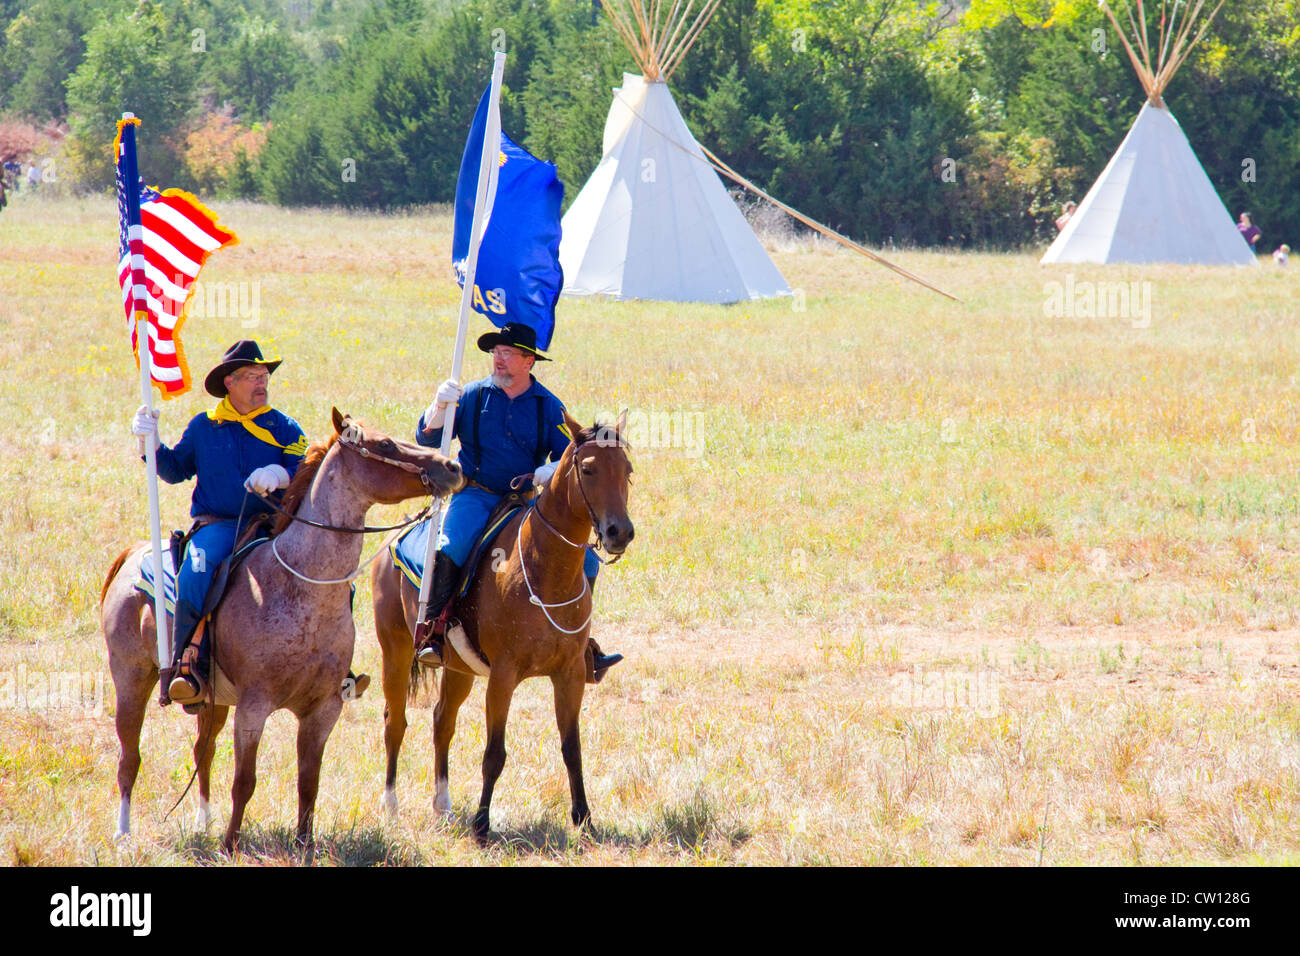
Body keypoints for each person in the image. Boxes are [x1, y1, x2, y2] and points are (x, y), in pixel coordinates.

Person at [129, 340, 368, 705]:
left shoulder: (284, 426)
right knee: (195, 574)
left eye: (264, 376)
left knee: (336, 580)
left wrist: (280, 474)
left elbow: (307, 470)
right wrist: (150, 445)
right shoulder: (204, 427)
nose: (262, 383)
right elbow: (175, 470)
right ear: (230, 382)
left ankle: (339, 670)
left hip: (277, 527)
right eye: (253, 377)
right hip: (220, 526)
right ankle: (188, 665)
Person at [413, 322, 622, 677]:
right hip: (475, 494)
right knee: (451, 546)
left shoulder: (549, 407)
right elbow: (429, 440)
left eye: (507, 353)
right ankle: (435, 629)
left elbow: (572, 455)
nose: (499, 359)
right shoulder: (472, 396)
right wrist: (437, 408)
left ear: (528, 361)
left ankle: (581, 643)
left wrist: (547, 472)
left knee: (587, 562)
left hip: (524, 503)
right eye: (496, 352)